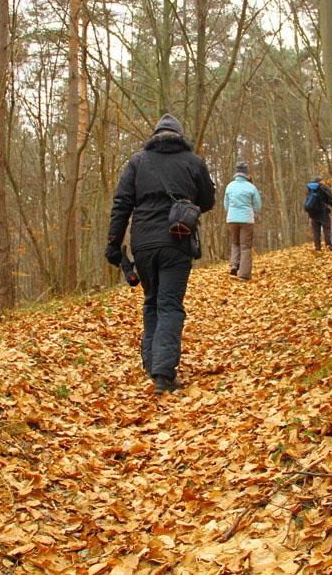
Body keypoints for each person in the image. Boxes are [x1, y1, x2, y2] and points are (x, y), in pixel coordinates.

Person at [106, 114, 215, 394]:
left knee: (152, 301)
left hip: (142, 244)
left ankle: (153, 364)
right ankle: (163, 375)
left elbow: (122, 204)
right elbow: (208, 200)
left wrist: (113, 242)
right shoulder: (194, 162)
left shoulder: (137, 161)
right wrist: (187, 203)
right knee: (169, 305)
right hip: (176, 241)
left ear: (155, 135)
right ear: (179, 135)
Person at [223, 161, 262, 281]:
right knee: (245, 246)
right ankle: (244, 275)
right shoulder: (251, 187)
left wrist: (232, 212)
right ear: (246, 173)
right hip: (246, 220)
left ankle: (235, 264)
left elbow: (226, 205)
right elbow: (257, 206)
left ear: (236, 173)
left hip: (232, 219)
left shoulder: (229, 186)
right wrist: (252, 210)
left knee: (235, 242)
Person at [304, 176, 332, 251]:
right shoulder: (323, 187)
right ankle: (328, 246)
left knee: (316, 231)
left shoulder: (310, 188)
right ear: (321, 181)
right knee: (326, 229)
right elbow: (330, 198)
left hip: (313, 213)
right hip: (323, 212)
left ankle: (318, 247)